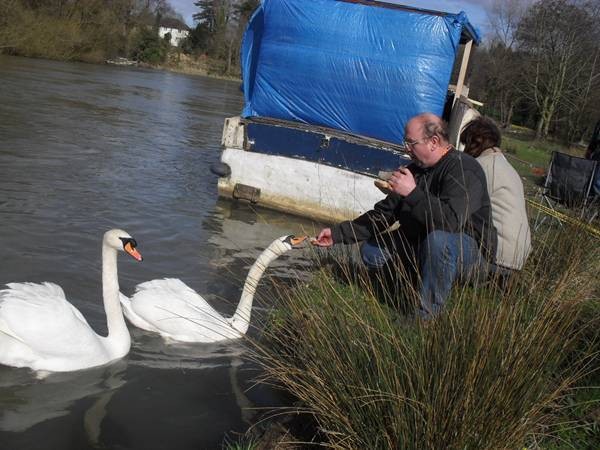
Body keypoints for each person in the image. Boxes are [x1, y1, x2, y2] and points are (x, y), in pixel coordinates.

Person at [314, 113, 497, 317]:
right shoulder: (414, 170)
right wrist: (338, 234)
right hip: (423, 241)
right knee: (371, 251)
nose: (406, 148)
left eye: (411, 142)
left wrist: (412, 193)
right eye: (405, 141)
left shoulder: (464, 168)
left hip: (470, 253)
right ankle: (410, 284)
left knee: (439, 242)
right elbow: (383, 215)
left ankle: (425, 316)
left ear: (433, 142)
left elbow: (450, 222)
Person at [459, 117, 531, 276]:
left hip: (495, 258)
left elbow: (458, 210)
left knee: (439, 240)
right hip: (518, 259)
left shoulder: (481, 167)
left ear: (476, 142)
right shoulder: (508, 167)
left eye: (466, 144)